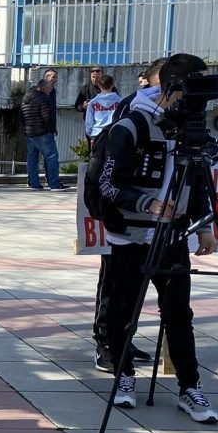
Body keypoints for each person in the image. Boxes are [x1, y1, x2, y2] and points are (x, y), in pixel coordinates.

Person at [97, 53, 218, 422]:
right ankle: (123, 375)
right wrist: (148, 203)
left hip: (172, 238)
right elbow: (107, 184)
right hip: (130, 235)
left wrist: (205, 224)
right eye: (195, 85)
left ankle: (190, 387)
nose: (201, 95)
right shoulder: (131, 124)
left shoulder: (192, 128)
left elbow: (197, 178)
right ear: (174, 86)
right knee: (122, 311)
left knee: (179, 314)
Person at [93, 60, 162, 371]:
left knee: (135, 288)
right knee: (115, 284)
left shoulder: (175, 116)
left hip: (159, 223)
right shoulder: (131, 111)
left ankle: (123, 338)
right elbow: (109, 171)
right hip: (124, 215)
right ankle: (107, 343)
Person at [21, 70, 66, 191]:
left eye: (55, 77)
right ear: (45, 86)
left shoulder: (27, 97)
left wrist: (26, 128)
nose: (53, 82)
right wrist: (52, 129)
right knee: (52, 156)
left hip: (30, 133)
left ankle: (34, 183)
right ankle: (54, 184)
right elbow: (47, 116)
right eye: (51, 78)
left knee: (32, 158)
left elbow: (21, 116)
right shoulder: (44, 98)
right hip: (43, 132)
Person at [84, 74, 122, 145]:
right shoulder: (120, 102)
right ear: (112, 85)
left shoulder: (93, 102)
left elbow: (89, 121)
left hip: (97, 133)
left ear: (99, 85)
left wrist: (89, 133)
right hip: (114, 133)